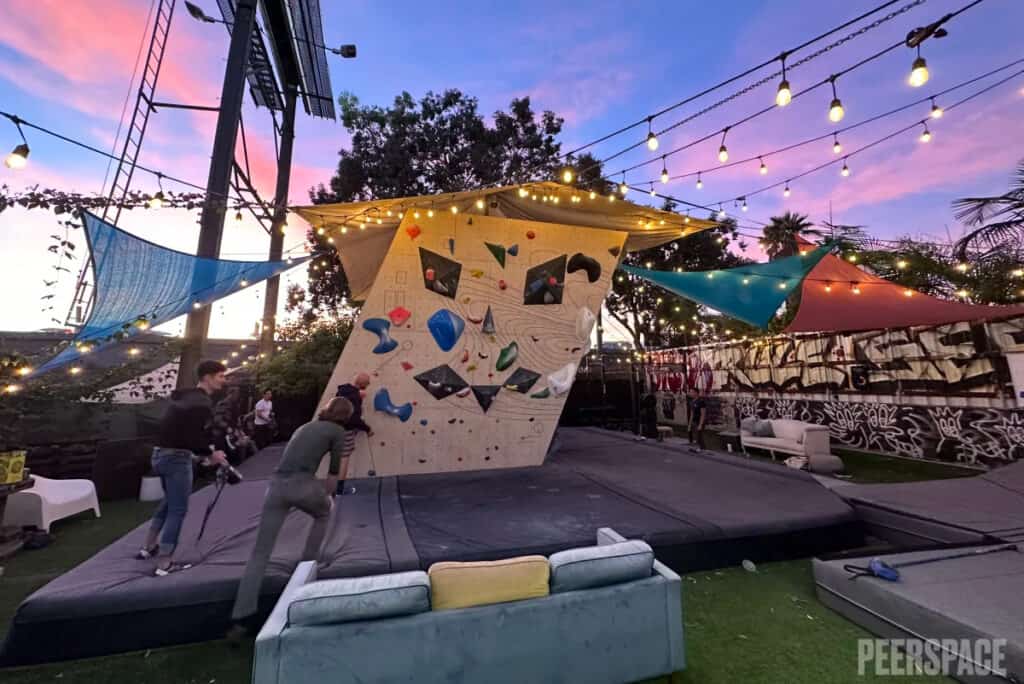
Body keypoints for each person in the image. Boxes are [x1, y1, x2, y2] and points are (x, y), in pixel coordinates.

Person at [228, 396, 354, 638]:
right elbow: (333, 473)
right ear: (346, 415)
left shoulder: (304, 427)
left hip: (275, 486)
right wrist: (328, 495)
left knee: (260, 552)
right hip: (302, 484)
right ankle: (307, 568)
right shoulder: (338, 431)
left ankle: (241, 616)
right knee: (324, 513)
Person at [138, 360, 229, 576]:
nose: (224, 380)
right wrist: (212, 454)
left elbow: (186, 431)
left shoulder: (188, 397)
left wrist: (206, 451)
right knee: (178, 511)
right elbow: (192, 437)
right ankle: (165, 564)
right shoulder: (201, 403)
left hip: (160, 455)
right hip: (177, 458)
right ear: (207, 377)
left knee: (169, 503)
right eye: (221, 376)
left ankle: (148, 547)